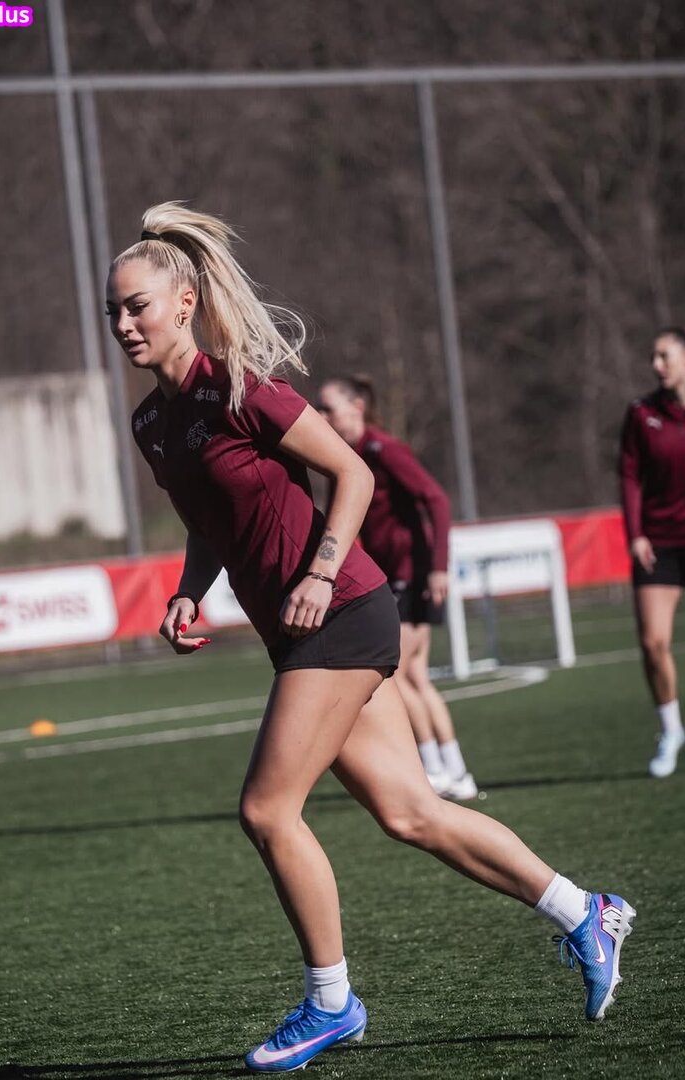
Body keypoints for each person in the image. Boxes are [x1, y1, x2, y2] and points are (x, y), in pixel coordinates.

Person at [106, 203, 636, 1073]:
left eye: (138, 306)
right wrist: (188, 592)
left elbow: (350, 473)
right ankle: (587, 913)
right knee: (411, 813)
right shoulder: (150, 425)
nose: (125, 323)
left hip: (343, 611)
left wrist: (319, 573)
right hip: (300, 633)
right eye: (115, 311)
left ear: (185, 302)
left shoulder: (242, 386)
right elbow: (207, 522)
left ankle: (331, 1002)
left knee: (266, 811)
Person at [316, 374, 477, 800]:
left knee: (397, 674)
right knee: (417, 677)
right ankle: (456, 772)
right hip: (395, 576)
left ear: (357, 408)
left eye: (328, 408)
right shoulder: (344, 457)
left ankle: (434, 769)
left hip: (413, 574)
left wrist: (438, 567)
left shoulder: (382, 449)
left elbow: (436, 499)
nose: (320, 415)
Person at [619, 325, 685, 779]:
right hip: (660, 544)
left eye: (665, 356)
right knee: (653, 643)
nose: (656, 365)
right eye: (653, 357)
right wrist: (636, 533)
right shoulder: (641, 413)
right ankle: (671, 730)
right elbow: (629, 475)